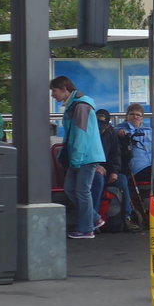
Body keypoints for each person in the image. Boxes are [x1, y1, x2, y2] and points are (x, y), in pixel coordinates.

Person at [50, 75, 105, 239]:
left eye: (54, 91)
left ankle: (87, 228)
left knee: (81, 191)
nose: (52, 95)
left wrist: (75, 159)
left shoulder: (80, 106)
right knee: (72, 189)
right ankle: (94, 219)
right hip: (82, 155)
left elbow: (81, 135)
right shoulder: (76, 104)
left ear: (64, 89)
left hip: (85, 156)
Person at [116, 103, 152, 231]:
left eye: (138, 115)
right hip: (136, 169)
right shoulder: (121, 129)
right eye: (132, 114)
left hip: (150, 166)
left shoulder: (148, 131)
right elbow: (119, 132)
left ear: (142, 118)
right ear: (127, 116)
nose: (135, 117)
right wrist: (124, 132)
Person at [91, 108, 122, 231]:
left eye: (102, 127)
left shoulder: (111, 133)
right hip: (93, 169)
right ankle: (95, 219)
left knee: (123, 181)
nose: (100, 130)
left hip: (108, 169)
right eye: (98, 127)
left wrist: (114, 172)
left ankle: (125, 218)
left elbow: (116, 154)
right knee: (98, 181)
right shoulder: (89, 133)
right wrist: (95, 166)